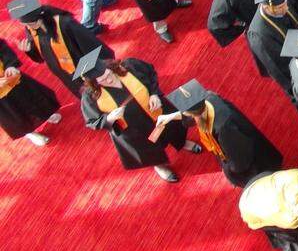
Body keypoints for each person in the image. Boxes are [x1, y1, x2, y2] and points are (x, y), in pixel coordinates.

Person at [76, 53, 199, 183]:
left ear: (110, 67)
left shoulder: (129, 66)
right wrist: (109, 118)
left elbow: (151, 73)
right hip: (134, 130)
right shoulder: (90, 96)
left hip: (157, 112)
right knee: (148, 151)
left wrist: (154, 94)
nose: (109, 80)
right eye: (102, 81)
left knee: (173, 129)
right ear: (94, 83)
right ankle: (159, 166)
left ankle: (182, 142)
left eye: (109, 75)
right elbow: (92, 122)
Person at [159, 79, 282, 187]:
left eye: (184, 112)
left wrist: (229, 171)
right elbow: (193, 113)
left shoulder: (222, 127)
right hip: (234, 143)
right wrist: (171, 116)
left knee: (262, 181)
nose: (183, 113)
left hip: (247, 157)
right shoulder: (209, 100)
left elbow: (240, 159)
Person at [0, 39, 60, 147]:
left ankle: (44, 114)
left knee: (31, 97)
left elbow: (2, 47)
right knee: (14, 114)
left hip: (10, 76)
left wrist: (10, 64)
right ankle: (30, 133)